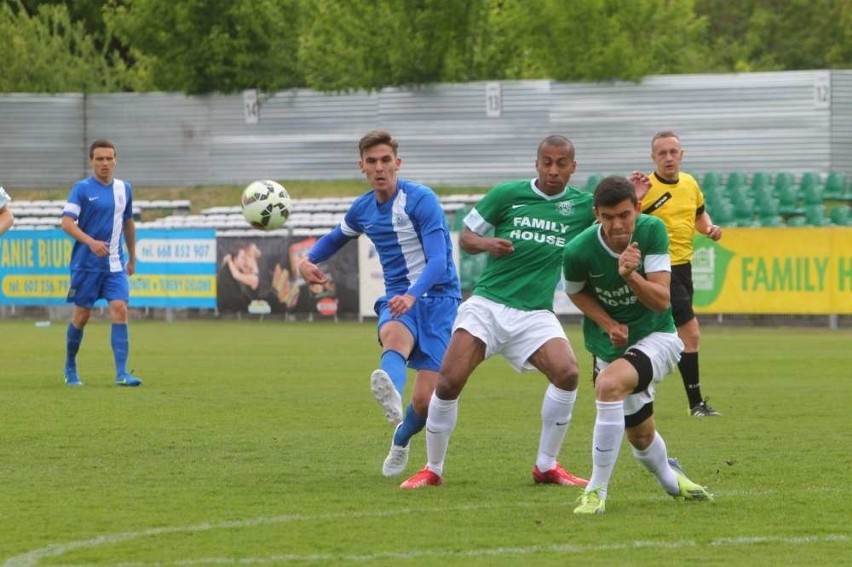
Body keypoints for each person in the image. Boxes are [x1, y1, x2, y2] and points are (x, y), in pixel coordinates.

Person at [400, 135, 595, 490]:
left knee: (567, 373)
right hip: (488, 304)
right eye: (547, 162)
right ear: (536, 163)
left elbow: (617, 220)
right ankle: (432, 469)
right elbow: (467, 237)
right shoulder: (507, 194)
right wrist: (489, 243)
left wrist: (639, 200)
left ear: (573, 167)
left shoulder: (583, 206)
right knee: (449, 381)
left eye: (561, 164)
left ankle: (546, 466)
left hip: (535, 312)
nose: (553, 170)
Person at [298, 130, 461, 477]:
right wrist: (307, 260)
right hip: (399, 296)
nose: (379, 167)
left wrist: (413, 295)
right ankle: (389, 388)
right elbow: (333, 238)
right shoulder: (363, 209)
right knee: (394, 335)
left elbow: (437, 262)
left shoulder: (422, 200)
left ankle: (401, 437)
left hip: (439, 299)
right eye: (371, 161)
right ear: (362, 167)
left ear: (397, 163)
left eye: (386, 160)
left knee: (425, 402)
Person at [562, 175, 713, 514]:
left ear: (637, 209)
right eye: (608, 216)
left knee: (608, 384)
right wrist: (608, 323)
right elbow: (575, 291)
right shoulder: (578, 251)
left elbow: (661, 301)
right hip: (611, 348)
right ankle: (673, 480)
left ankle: (595, 491)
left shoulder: (652, 231)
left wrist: (631, 275)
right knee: (641, 437)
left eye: (625, 215)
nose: (617, 225)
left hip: (658, 337)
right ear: (596, 214)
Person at [637, 131, 722, 417]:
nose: (669, 157)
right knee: (690, 333)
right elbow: (626, 220)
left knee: (653, 332)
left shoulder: (689, 184)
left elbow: (698, 215)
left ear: (682, 154)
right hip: (659, 269)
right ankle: (696, 404)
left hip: (684, 267)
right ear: (653, 158)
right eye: (662, 153)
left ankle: (630, 382)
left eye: (673, 152)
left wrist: (709, 229)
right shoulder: (645, 188)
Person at [60, 139, 142, 387]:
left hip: (115, 264)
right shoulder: (82, 189)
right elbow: (66, 223)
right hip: (86, 265)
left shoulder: (124, 189)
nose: (105, 163)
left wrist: (132, 257)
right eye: (100, 159)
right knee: (82, 316)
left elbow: (128, 223)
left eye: (109, 158)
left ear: (115, 160)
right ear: (91, 161)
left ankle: (122, 373)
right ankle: (70, 366)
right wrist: (90, 241)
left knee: (120, 309)